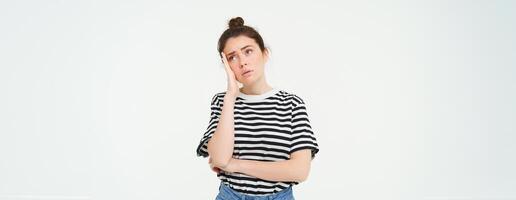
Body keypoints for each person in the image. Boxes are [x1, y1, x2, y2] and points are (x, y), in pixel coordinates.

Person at [196, 16, 319, 200]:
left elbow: (300, 171)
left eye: (248, 51)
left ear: (265, 54)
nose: (242, 62)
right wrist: (231, 96)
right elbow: (220, 159)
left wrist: (235, 165)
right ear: (227, 66)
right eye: (232, 57)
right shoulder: (222, 101)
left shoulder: (292, 104)